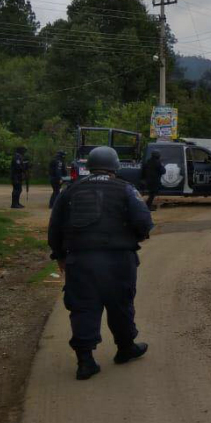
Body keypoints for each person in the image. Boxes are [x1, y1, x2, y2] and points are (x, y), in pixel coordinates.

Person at [47, 146, 154, 380]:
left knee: (83, 307)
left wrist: (60, 257)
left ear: (90, 166)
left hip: (80, 261)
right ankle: (125, 348)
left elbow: (54, 227)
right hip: (119, 260)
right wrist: (136, 237)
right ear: (115, 166)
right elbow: (144, 221)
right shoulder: (126, 188)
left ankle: (85, 362)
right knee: (121, 304)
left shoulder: (70, 190)